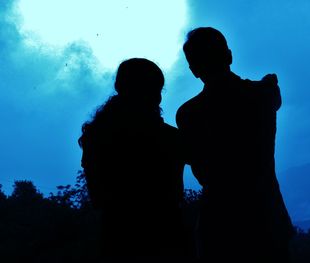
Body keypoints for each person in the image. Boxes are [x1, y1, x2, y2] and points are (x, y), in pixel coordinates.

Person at [176, 27, 295, 262]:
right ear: (229, 55)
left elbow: (197, 165)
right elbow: (272, 94)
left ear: (193, 69)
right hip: (267, 216)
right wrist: (268, 83)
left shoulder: (189, 114)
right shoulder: (264, 95)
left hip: (219, 222)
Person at [78, 58, 190, 262]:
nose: (158, 97)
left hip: (116, 238)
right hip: (166, 238)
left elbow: (98, 198)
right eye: (157, 89)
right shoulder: (170, 138)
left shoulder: (96, 136)